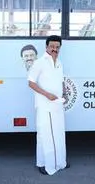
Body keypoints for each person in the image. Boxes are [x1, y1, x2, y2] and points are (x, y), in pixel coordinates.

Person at [27, 35, 70, 175]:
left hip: (57, 103)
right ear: (46, 47)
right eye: (52, 46)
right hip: (45, 105)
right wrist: (47, 95)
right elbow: (31, 83)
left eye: (57, 47)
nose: (54, 49)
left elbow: (61, 80)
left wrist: (64, 93)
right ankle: (47, 164)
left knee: (58, 134)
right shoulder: (39, 62)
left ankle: (59, 161)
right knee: (46, 135)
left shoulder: (59, 62)